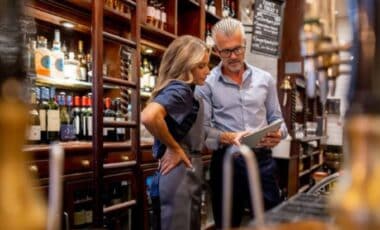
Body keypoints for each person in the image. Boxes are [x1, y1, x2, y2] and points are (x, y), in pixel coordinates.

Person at [195, 18, 288, 228]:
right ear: (216, 51)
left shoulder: (265, 79)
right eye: (226, 51)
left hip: (262, 161)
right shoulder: (206, 84)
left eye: (238, 49)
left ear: (244, 45)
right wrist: (229, 137)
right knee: (227, 223)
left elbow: (278, 120)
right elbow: (203, 130)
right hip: (227, 162)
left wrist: (278, 134)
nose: (234, 56)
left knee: (271, 222)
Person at [141, 35, 210, 230]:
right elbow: (149, 116)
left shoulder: (184, 89)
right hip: (180, 170)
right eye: (201, 66)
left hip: (185, 169)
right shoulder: (181, 90)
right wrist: (174, 147)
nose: (208, 70)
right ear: (186, 65)